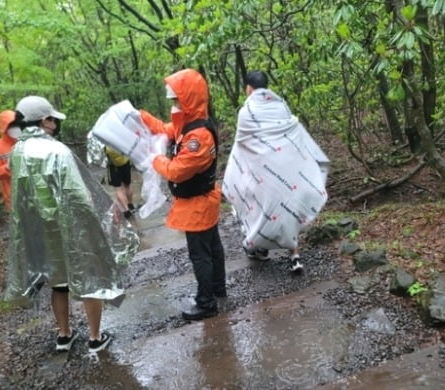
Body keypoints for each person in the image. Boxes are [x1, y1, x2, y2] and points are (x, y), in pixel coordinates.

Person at [6, 96, 132, 353]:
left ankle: (64, 334)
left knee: (58, 282)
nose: (55, 124)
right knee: (90, 278)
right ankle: (95, 338)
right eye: (53, 119)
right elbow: (79, 195)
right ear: (44, 121)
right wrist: (102, 217)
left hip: (39, 233)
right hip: (69, 227)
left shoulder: (17, 152)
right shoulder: (57, 151)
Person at [138, 68, 226, 321]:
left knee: (201, 254)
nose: (174, 105)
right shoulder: (190, 124)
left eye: (177, 100)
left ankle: (207, 302)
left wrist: (155, 159)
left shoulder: (198, 136)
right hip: (202, 200)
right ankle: (217, 289)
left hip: (197, 204)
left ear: (188, 99)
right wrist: (140, 117)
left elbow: (178, 171)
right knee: (213, 248)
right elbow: (166, 129)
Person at [223, 70, 330, 274]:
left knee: (258, 208)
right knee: (288, 209)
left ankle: (258, 248)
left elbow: (242, 144)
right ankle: (294, 256)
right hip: (285, 167)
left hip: (260, 172)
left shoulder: (246, 112)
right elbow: (291, 133)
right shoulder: (281, 105)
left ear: (248, 88)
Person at [105, 145, 136, 218]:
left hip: (113, 166)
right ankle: (130, 204)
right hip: (125, 162)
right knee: (127, 185)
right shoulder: (119, 138)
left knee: (118, 188)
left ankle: (126, 210)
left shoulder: (106, 141)